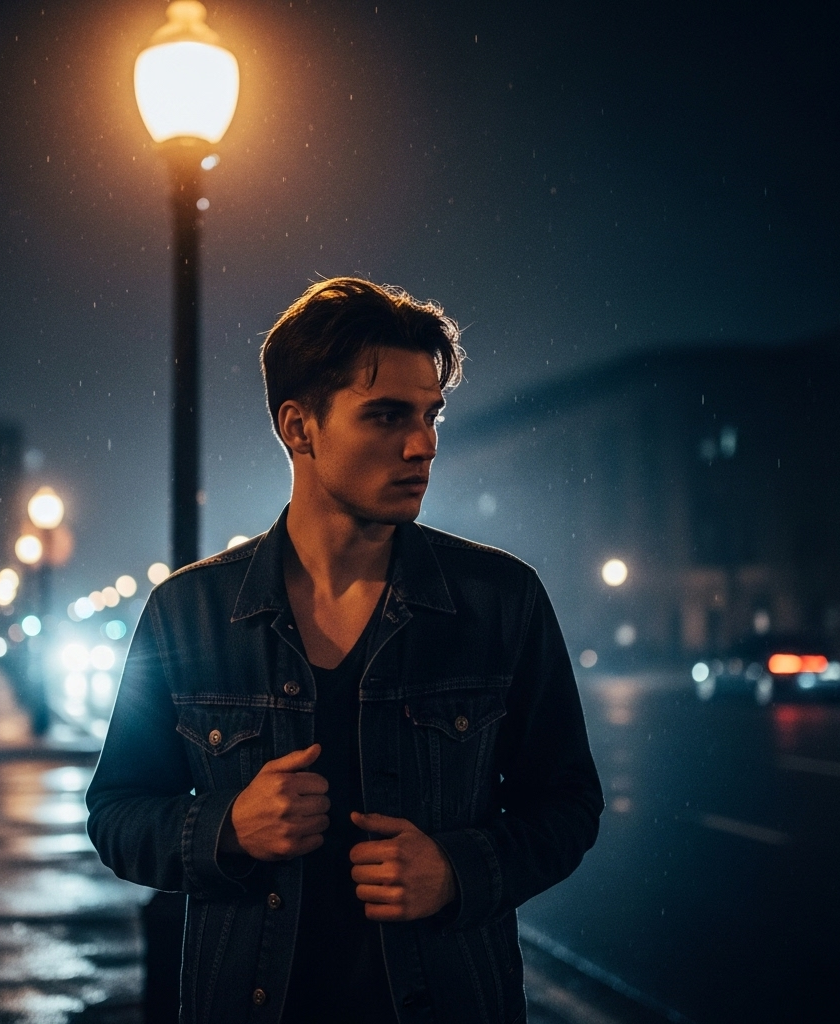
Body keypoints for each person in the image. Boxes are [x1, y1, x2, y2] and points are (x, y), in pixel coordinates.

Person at [85, 277, 604, 1024]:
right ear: (300, 428)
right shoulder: (192, 612)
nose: (422, 444)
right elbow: (116, 814)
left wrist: (457, 870)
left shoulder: (499, 600)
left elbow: (567, 803)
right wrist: (227, 827)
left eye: (430, 415)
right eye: (387, 415)